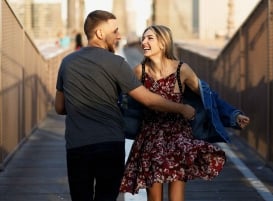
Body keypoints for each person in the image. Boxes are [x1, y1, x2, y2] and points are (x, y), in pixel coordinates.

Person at [54, 11, 195, 201]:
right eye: (115, 31)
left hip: (77, 145)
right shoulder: (117, 63)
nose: (119, 35)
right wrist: (182, 108)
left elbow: (59, 107)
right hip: (109, 144)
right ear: (100, 33)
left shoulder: (67, 63)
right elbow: (148, 99)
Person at [119, 25, 250, 201]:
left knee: (176, 198)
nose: (144, 42)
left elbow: (208, 97)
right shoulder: (139, 72)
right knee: (154, 198)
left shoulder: (182, 70)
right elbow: (121, 100)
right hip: (150, 138)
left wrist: (233, 115)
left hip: (178, 137)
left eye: (150, 38)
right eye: (143, 38)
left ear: (163, 42)